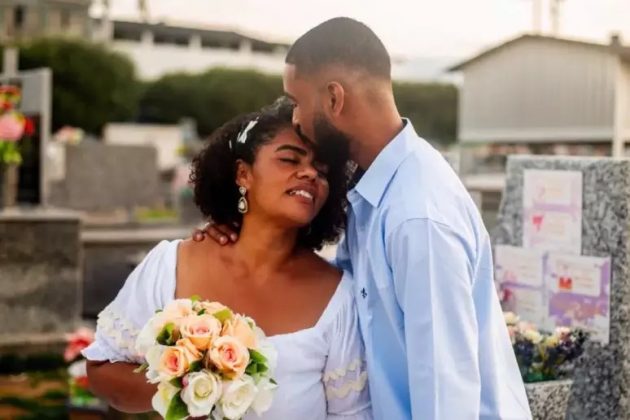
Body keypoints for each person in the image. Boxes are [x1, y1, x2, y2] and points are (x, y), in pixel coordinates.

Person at [198, 17, 531, 420]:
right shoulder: (376, 190)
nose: (296, 120)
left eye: (298, 102)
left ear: (334, 98)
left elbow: (445, 393)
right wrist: (246, 233)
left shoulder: (417, 217)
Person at [82, 99, 372, 419]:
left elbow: (352, 413)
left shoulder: (338, 296)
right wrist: (188, 389)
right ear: (242, 174)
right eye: (290, 159)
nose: (309, 174)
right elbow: (102, 369)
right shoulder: (172, 264)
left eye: (322, 171)